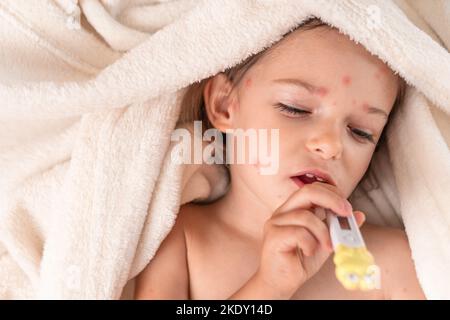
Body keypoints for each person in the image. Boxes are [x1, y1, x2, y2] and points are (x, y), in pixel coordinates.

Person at [134, 18, 425, 300]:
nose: (330, 145)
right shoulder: (182, 239)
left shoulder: (392, 263)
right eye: (295, 108)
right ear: (225, 106)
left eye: (361, 132)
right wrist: (269, 287)